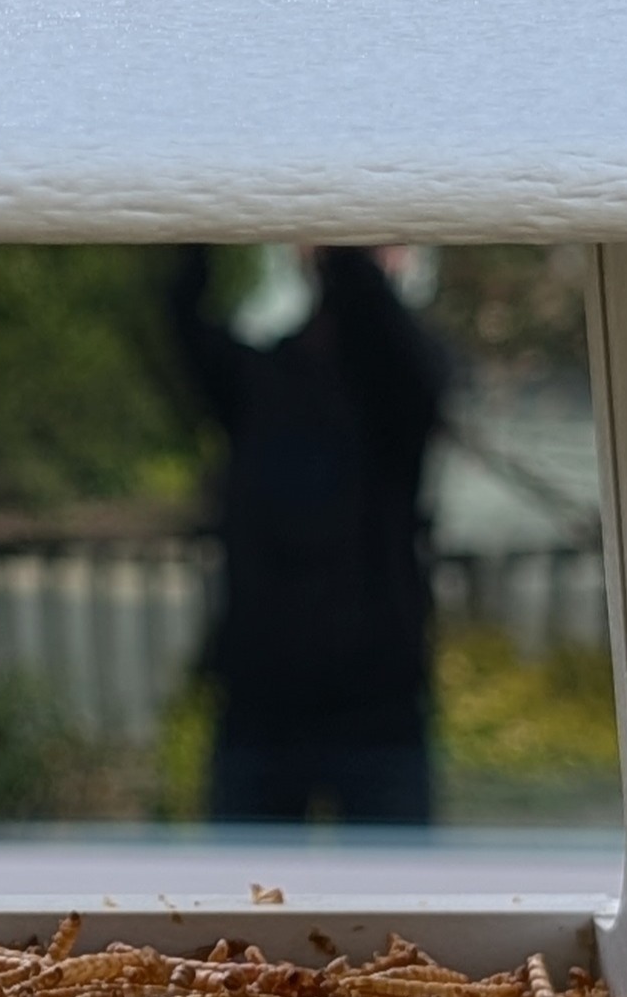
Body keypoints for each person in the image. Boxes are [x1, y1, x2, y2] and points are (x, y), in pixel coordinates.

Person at [166, 244, 452, 827]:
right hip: (264, 697)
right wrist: (209, 214)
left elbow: (383, 333)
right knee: (242, 886)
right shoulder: (258, 381)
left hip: (377, 701)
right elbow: (181, 309)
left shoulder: (399, 391)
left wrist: (334, 238)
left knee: (396, 884)